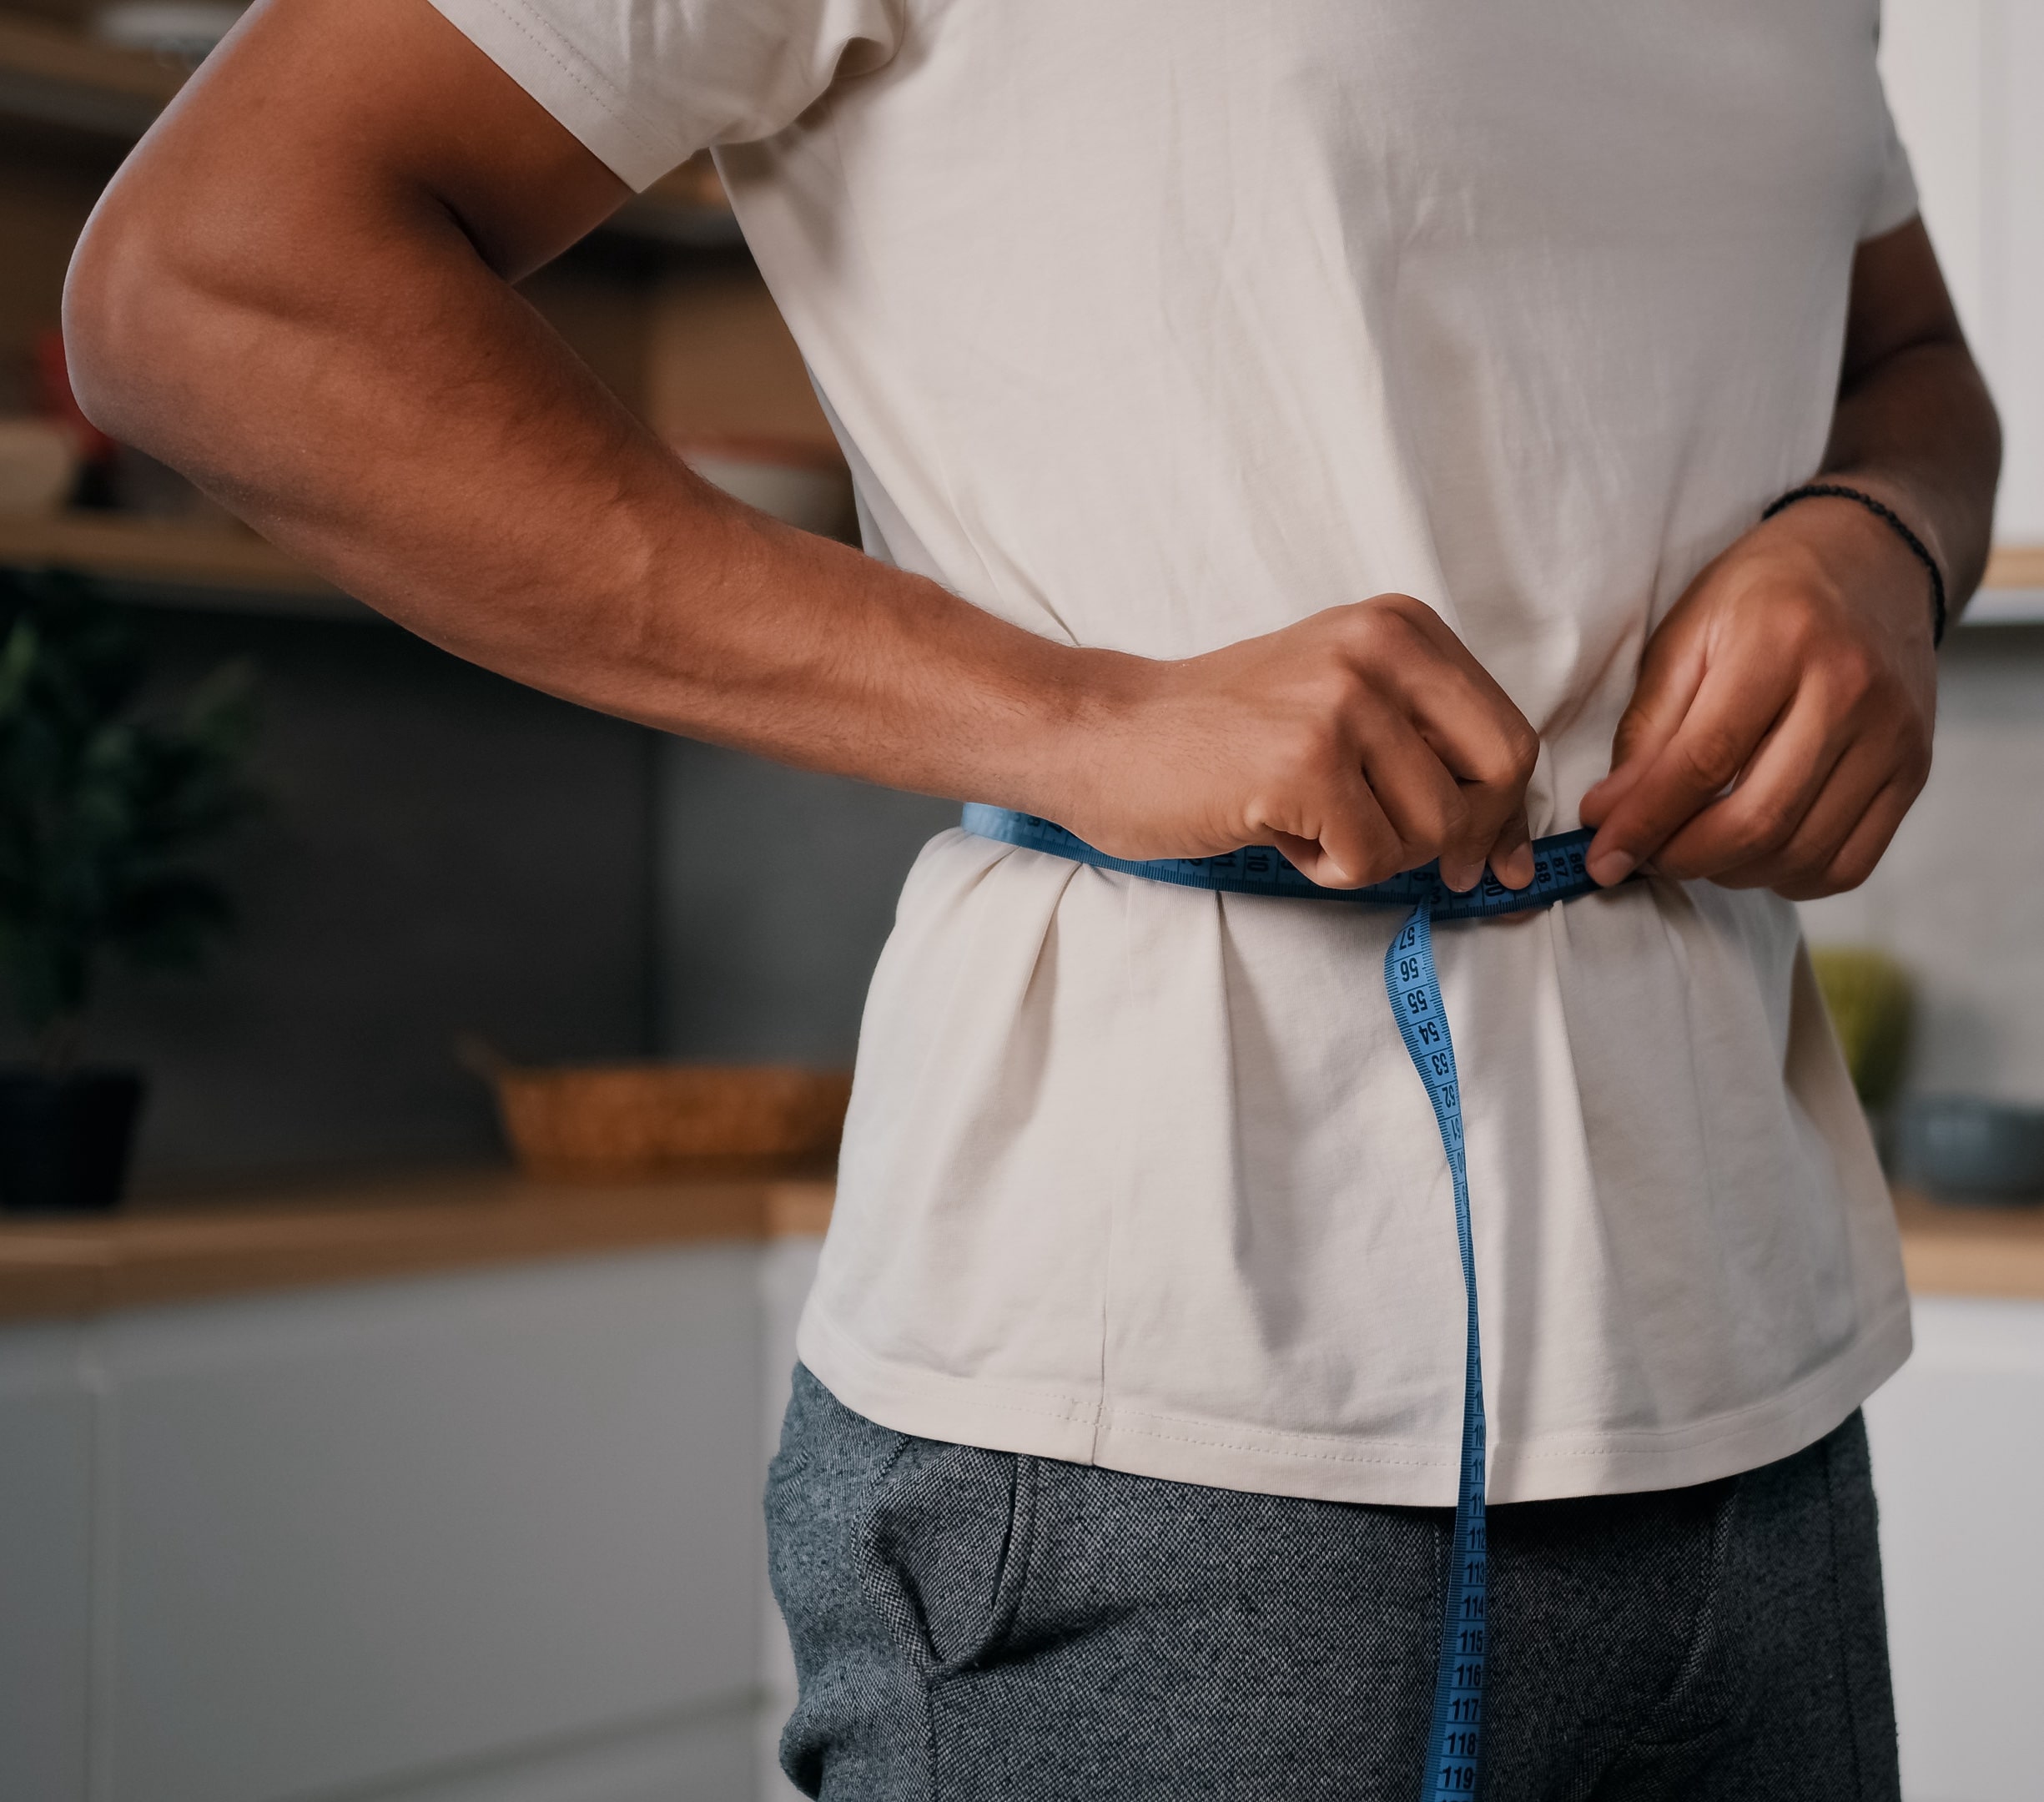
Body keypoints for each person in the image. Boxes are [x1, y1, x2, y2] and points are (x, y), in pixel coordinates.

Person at [65, 1, 2000, 1796]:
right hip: (1163, 1424)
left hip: (1760, 1385)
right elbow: (211, 282)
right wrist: (1074, 718)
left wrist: (1883, 536)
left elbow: (1909, 362)